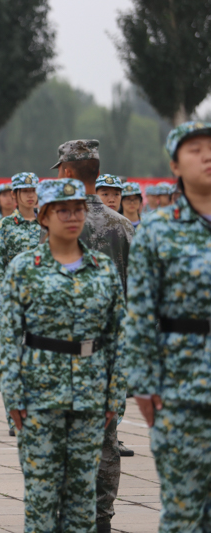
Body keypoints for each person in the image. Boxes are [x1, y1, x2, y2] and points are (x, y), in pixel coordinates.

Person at [0, 178, 125, 533]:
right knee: (42, 499)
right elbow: (9, 338)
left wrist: (114, 396)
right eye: (63, 211)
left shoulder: (102, 270)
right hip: (39, 397)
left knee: (81, 500)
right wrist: (13, 397)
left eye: (78, 210)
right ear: (44, 217)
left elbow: (116, 339)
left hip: (89, 396)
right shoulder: (24, 268)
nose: (72, 217)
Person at [126, 121, 211, 533]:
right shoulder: (158, 231)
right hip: (180, 389)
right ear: (175, 165)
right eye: (195, 149)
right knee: (183, 511)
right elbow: (141, 312)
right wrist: (143, 384)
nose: (207, 156)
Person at [54, 140, 134, 533]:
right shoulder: (124, 227)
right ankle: (102, 518)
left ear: (68, 172)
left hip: (61, 351)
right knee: (106, 439)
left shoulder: (56, 222)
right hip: (109, 351)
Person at [0, 173, 41, 281]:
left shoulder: (47, 222)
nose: (30, 195)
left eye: (33, 190)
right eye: (25, 191)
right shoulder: (6, 224)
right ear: (14, 194)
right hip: (15, 286)